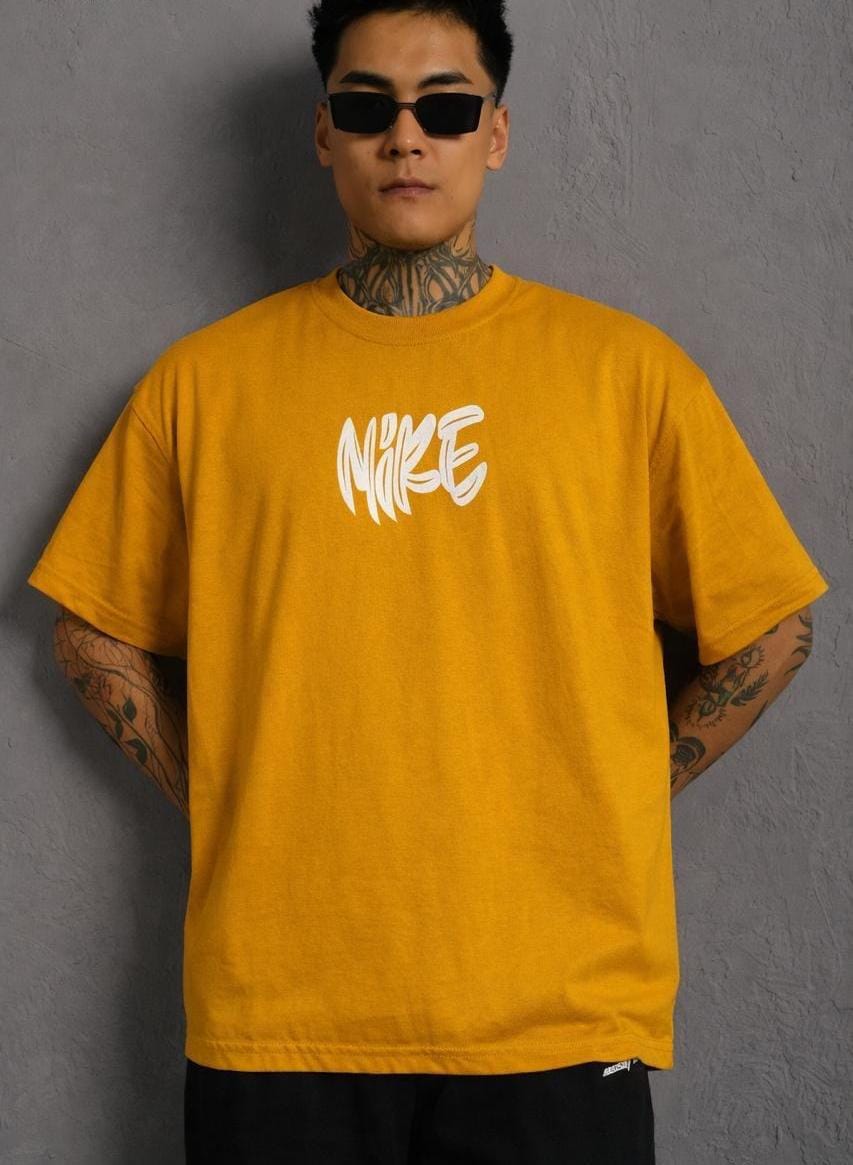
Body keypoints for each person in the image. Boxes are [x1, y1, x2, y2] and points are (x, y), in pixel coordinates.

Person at [26, 1, 830, 1161]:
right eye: (367, 107)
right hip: (279, 1017)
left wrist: (614, 793)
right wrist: (234, 795)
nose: (406, 137)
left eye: (445, 108)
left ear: (495, 133)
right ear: (324, 133)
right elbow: (89, 631)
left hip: (556, 1012)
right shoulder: (203, 387)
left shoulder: (627, 378)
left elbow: (771, 628)